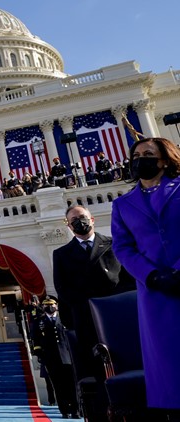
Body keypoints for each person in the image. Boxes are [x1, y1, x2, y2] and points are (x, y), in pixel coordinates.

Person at [111, 137, 180, 415]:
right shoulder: (123, 204)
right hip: (156, 293)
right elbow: (123, 248)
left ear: (164, 159)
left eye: (148, 154)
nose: (140, 159)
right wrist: (151, 276)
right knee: (168, 364)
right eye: (136, 155)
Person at [53, 205, 135, 378]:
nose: (79, 222)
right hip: (87, 318)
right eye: (73, 220)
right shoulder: (61, 254)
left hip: (118, 314)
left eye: (82, 217)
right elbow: (62, 288)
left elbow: (129, 279)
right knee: (97, 369)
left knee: (128, 363)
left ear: (92, 219)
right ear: (69, 226)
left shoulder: (113, 244)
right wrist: (88, 305)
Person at [31, 296, 79, 419]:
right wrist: (40, 354)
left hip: (67, 356)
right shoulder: (39, 321)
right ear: (43, 307)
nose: (50, 307)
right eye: (47, 305)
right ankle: (64, 410)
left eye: (52, 304)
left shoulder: (64, 318)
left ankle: (75, 410)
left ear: (56, 305)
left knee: (71, 384)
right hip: (50, 358)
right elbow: (36, 339)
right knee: (58, 385)